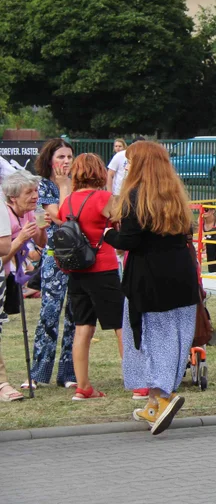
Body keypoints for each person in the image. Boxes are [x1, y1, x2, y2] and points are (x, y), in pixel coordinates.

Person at [103, 141, 201, 436]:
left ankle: (162, 396)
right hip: (181, 276)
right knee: (175, 337)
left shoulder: (135, 196)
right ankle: (155, 402)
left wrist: (108, 233)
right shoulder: (175, 195)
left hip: (149, 279)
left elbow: (129, 241)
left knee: (150, 337)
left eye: (132, 162)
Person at [59, 154, 125, 401]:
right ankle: (137, 382)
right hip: (103, 268)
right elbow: (120, 221)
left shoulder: (68, 203)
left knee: (82, 327)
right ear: (99, 172)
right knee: (120, 326)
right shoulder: (104, 198)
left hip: (77, 270)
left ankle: (83, 386)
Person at [26, 138, 76, 390]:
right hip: (54, 256)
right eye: (61, 157)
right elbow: (63, 218)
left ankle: (68, 373)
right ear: (50, 160)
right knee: (49, 313)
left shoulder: (79, 184)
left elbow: (65, 218)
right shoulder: (44, 186)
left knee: (74, 316)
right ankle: (38, 372)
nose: (66, 161)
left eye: (69, 156)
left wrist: (68, 185)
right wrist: (64, 187)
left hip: (78, 257)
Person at [0, 170, 46, 402]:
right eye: (29, 192)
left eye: (36, 191)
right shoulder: (4, 217)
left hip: (10, 279)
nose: (35, 196)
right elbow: (2, 258)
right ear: (12, 198)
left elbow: (38, 250)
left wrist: (41, 229)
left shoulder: (28, 215)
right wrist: (19, 241)